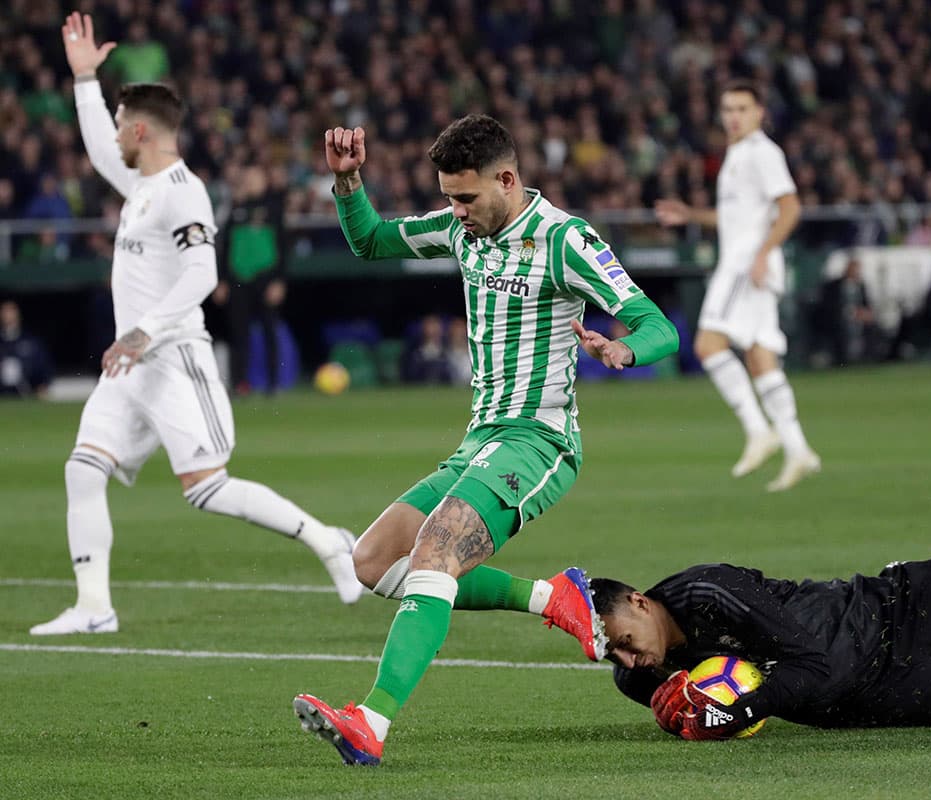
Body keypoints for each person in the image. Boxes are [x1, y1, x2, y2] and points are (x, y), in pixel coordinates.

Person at [293, 114, 679, 765]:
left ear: (507, 178)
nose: (456, 210)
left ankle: (371, 720)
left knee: (436, 552)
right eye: (448, 196)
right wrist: (349, 183)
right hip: (480, 440)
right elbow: (372, 242)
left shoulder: (565, 240)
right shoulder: (456, 228)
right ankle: (552, 596)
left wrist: (624, 347)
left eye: (466, 197)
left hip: (538, 441)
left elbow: (657, 324)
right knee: (373, 563)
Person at [31, 13, 363, 637]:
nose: (115, 140)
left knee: (207, 489)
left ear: (140, 130)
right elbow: (101, 149)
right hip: (131, 364)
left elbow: (200, 274)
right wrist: (82, 80)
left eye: (121, 123)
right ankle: (94, 606)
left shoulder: (183, 191)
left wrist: (143, 331)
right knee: (83, 467)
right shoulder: (141, 184)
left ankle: (329, 543)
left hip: (173, 358)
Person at [588, 546, 931, 740]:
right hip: (863, 697)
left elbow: (810, 664)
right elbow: (730, 714)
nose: (629, 659)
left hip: (891, 610)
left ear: (639, 602)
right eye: (611, 654)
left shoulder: (708, 590)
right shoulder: (639, 676)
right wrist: (693, 723)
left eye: (625, 643)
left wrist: (741, 708)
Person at [655, 80, 819, 492]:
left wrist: (763, 253)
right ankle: (799, 449)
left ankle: (758, 430)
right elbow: (737, 217)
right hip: (751, 263)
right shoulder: (739, 154)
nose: (733, 116)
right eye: (727, 108)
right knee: (762, 358)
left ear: (760, 112)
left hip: (746, 267)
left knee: (708, 345)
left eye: (742, 108)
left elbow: (791, 207)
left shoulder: (762, 153)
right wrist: (691, 215)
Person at [216, 164, 289, 394]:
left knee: (269, 331)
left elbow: (283, 248)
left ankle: (273, 384)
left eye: (255, 178)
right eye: (247, 179)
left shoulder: (273, 209)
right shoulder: (235, 210)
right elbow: (224, 247)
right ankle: (240, 383)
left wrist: (279, 280)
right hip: (238, 278)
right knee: (239, 334)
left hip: (265, 278)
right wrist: (222, 280)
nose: (250, 183)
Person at [0, 299, 54, 397]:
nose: (7, 315)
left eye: (11, 311)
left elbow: (43, 365)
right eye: (4, 311)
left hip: (26, 394)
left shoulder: (31, 341)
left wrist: (43, 385)